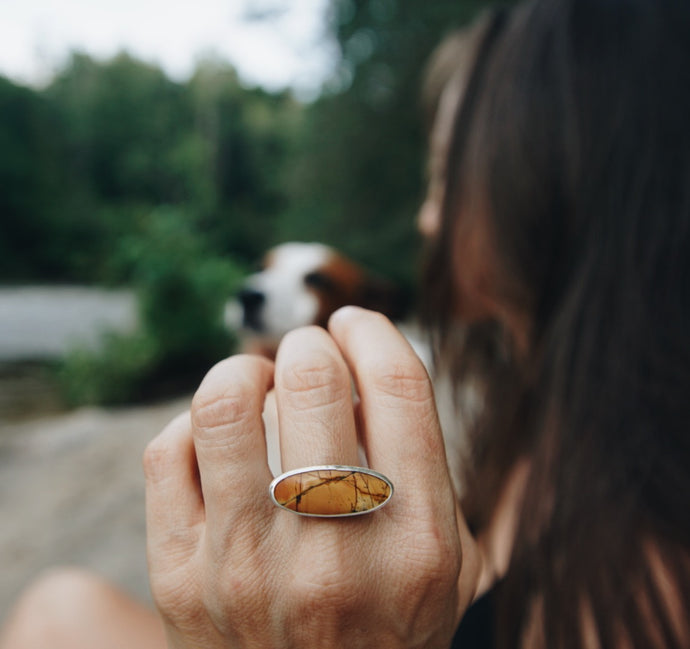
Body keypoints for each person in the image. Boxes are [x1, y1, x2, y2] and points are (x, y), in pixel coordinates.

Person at [2, 0, 689, 647]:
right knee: (58, 607)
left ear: (562, 193)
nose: (426, 217)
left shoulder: (643, 562)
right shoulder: (536, 399)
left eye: (444, 174)